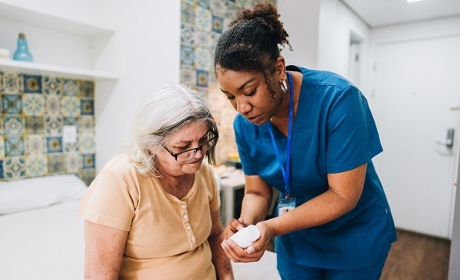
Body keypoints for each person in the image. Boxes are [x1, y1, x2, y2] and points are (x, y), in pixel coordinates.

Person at [214, 3, 397, 279]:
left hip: (354, 236)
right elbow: (257, 192)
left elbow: (343, 195)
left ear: (278, 69)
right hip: (296, 238)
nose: (241, 107)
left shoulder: (338, 100)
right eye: (230, 97)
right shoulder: (245, 125)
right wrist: (247, 226)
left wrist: (271, 227)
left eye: (249, 91)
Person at [79, 84, 234, 279]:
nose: (198, 154)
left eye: (203, 141)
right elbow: (100, 275)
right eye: (183, 146)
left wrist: (227, 277)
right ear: (151, 145)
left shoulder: (204, 172)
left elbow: (215, 235)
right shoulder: (120, 179)